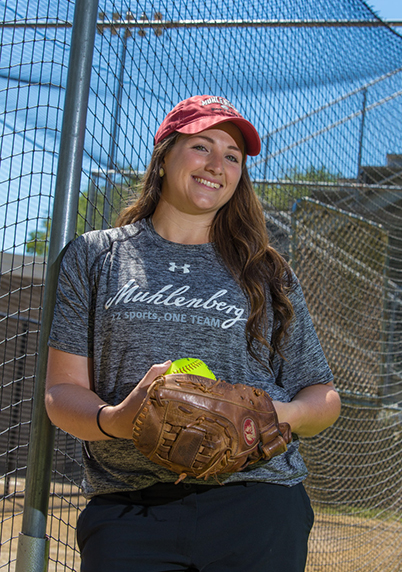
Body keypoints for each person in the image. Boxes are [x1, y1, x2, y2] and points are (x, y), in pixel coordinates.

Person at [45, 95, 341, 572]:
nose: (216, 165)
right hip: (130, 510)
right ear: (164, 156)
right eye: (202, 146)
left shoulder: (266, 271)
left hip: (258, 504)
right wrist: (118, 419)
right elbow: (62, 391)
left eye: (232, 156)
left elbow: (323, 395)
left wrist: (268, 414)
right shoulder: (95, 257)